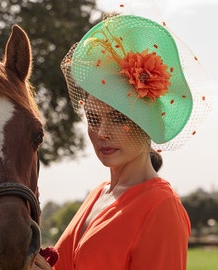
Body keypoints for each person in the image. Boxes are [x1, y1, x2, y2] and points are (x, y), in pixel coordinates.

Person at [34, 14, 210, 270]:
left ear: (148, 122)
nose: (102, 132)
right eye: (93, 118)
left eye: (118, 118)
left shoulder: (161, 208)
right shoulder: (98, 194)